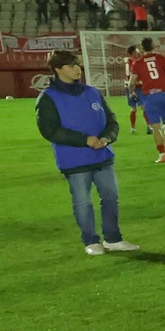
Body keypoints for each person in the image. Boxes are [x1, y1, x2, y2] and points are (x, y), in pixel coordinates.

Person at [37, 50, 139, 256]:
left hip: (103, 156)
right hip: (74, 160)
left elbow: (112, 121)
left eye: (78, 65)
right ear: (57, 69)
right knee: (83, 202)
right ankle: (91, 241)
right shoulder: (48, 97)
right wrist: (85, 140)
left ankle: (113, 239)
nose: (77, 69)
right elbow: (50, 130)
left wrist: (107, 137)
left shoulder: (93, 92)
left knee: (110, 198)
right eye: (71, 65)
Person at [128, 37, 165, 163]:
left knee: (156, 128)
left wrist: (132, 92)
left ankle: (162, 154)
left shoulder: (138, 63)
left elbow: (131, 82)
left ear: (142, 48)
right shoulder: (161, 58)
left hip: (149, 97)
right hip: (164, 95)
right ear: (153, 46)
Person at [123, 44, 143, 134]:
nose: (138, 53)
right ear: (134, 52)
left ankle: (134, 128)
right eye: (137, 52)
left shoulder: (130, 61)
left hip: (132, 86)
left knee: (135, 108)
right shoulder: (131, 62)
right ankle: (147, 126)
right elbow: (130, 75)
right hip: (134, 87)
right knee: (141, 107)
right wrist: (138, 83)